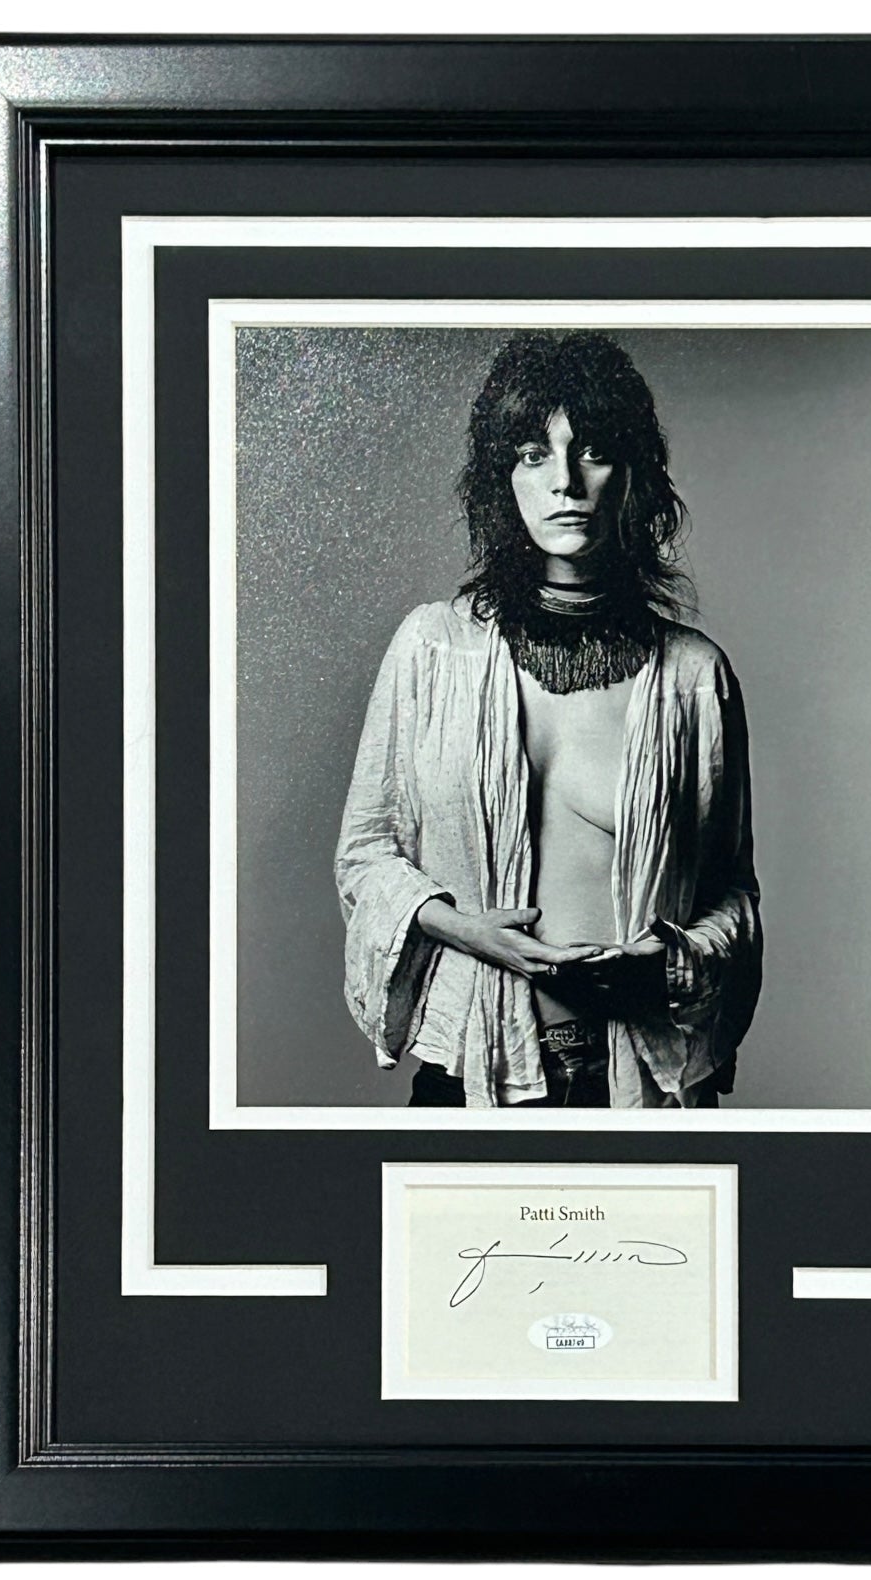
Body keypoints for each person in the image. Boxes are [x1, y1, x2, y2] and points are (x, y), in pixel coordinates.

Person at [334, 331, 761, 1108]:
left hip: (640, 1079)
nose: (565, 481)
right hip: (473, 1065)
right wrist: (464, 929)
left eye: (592, 451)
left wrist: (669, 961)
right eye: (533, 454)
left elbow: (731, 894)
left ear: (632, 475)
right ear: (503, 479)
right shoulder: (434, 648)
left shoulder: (692, 676)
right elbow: (367, 855)